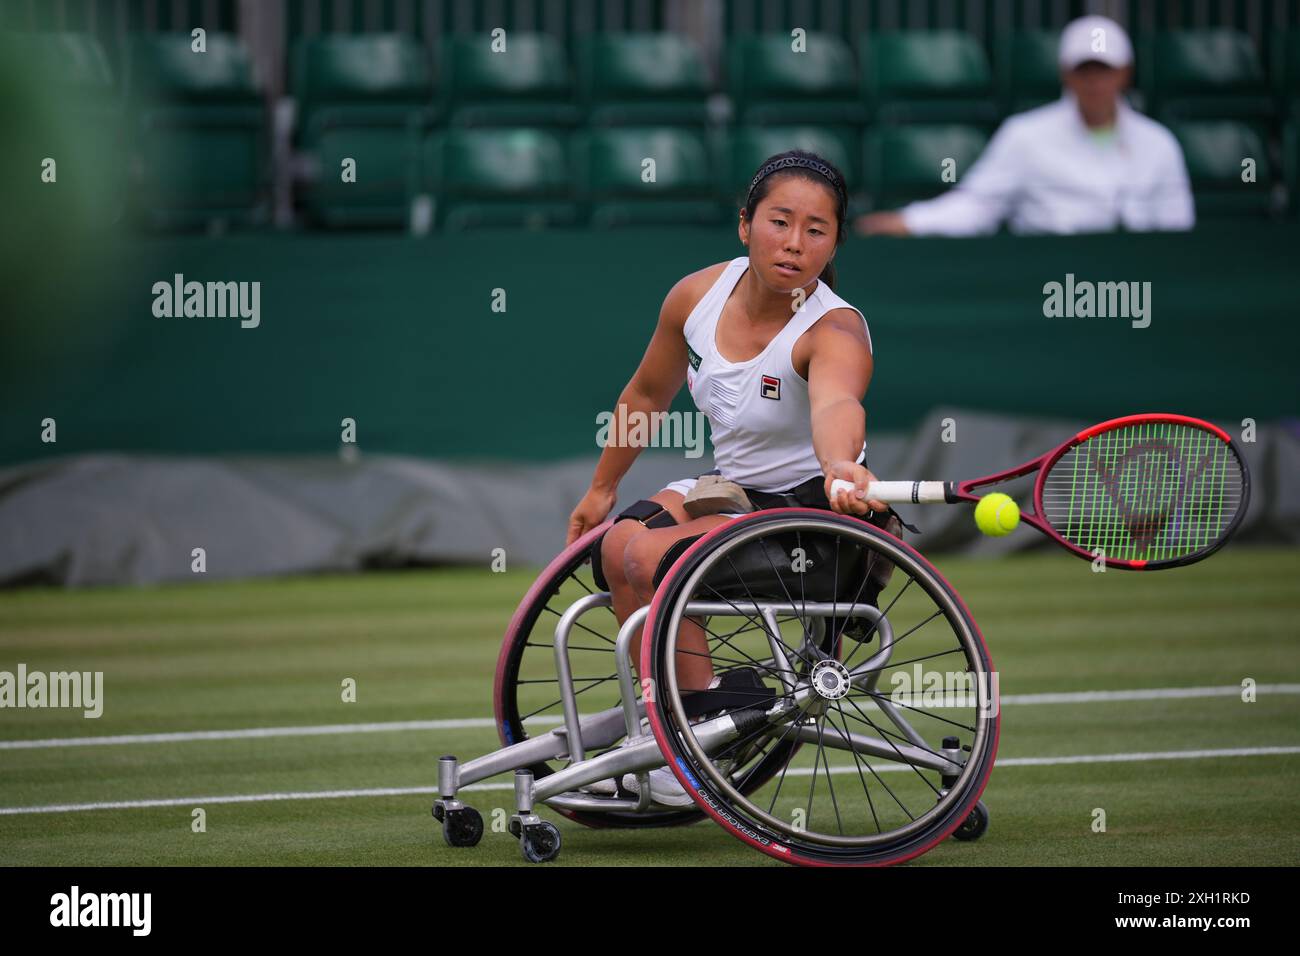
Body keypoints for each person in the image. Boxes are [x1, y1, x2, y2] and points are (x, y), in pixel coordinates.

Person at [565, 149, 887, 806]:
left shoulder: (835, 329)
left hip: (811, 516)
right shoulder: (696, 296)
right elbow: (648, 394)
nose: (795, 243)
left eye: (816, 229)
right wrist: (601, 489)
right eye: (779, 221)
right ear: (745, 224)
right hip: (734, 494)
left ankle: (698, 732)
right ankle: (669, 718)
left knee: (658, 557)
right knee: (617, 546)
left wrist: (842, 465)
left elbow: (836, 405)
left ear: (834, 242)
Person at [855, 14, 1195, 237]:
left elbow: (1178, 226)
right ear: (1066, 74)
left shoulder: (1158, 143)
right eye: (1085, 71)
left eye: (1104, 70)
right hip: (1053, 282)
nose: (1095, 82)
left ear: (1125, 74)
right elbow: (978, 205)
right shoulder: (1025, 135)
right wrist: (910, 222)